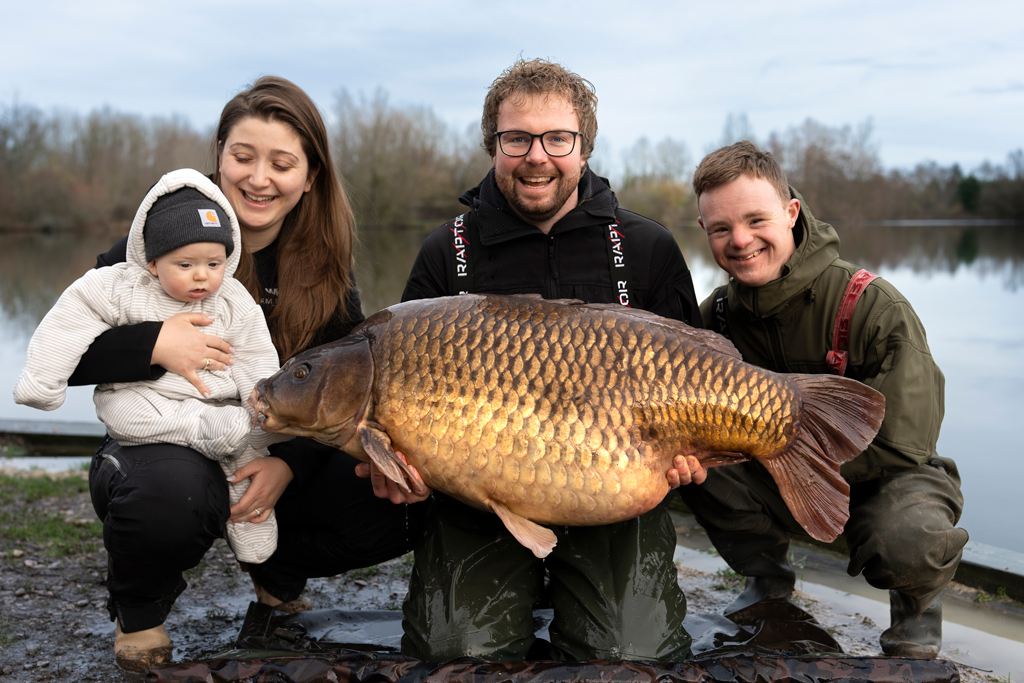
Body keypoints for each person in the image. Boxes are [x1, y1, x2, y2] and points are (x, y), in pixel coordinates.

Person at [65, 76, 429, 672]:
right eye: (243, 156)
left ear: (309, 177)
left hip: (261, 444)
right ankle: (140, 613)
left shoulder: (327, 271)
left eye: (281, 163)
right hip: (163, 439)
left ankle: (275, 570)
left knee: (410, 496)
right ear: (219, 159)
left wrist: (289, 465)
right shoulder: (159, 236)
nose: (259, 178)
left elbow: (348, 394)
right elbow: (66, 354)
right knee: (172, 497)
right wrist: (154, 342)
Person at [398, 57, 705, 662]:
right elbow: (399, 388)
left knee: (631, 655)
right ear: (493, 145)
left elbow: (694, 381)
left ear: (584, 146)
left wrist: (696, 455)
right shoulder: (445, 253)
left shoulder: (646, 248)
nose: (537, 156)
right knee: (456, 652)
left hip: (612, 495)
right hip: (479, 499)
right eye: (517, 138)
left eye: (557, 138)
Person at [679, 140, 967, 658]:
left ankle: (917, 609)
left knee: (909, 539)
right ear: (704, 232)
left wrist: (807, 470)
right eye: (721, 228)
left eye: (755, 220)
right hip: (776, 469)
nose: (740, 240)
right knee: (702, 466)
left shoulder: (872, 304)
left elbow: (907, 438)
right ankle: (767, 577)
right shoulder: (714, 317)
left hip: (887, 476)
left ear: (791, 212)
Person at [15, 169, 286, 568]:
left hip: (218, 406)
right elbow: (67, 321)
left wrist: (265, 409)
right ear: (154, 263)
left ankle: (254, 538)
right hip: (147, 401)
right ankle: (196, 434)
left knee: (245, 451)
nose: (202, 275)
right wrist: (42, 380)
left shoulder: (233, 300)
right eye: (186, 264)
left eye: (214, 263)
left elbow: (256, 355)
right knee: (127, 413)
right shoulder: (122, 287)